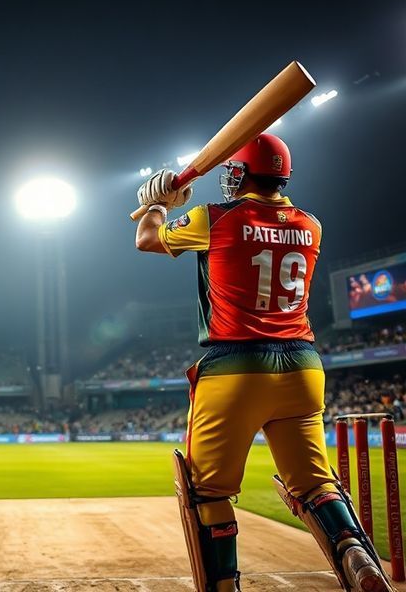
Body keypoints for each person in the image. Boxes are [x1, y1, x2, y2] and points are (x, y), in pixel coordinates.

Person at [134, 133, 393, 592]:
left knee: (207, 491)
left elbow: (146, 239)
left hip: (234, 365)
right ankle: (355, 551)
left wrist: (159, 202)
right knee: (315, 483)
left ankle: (224, 585)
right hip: (302, 366)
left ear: (238, 175)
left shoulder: (214, 218)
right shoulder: (311, 224)